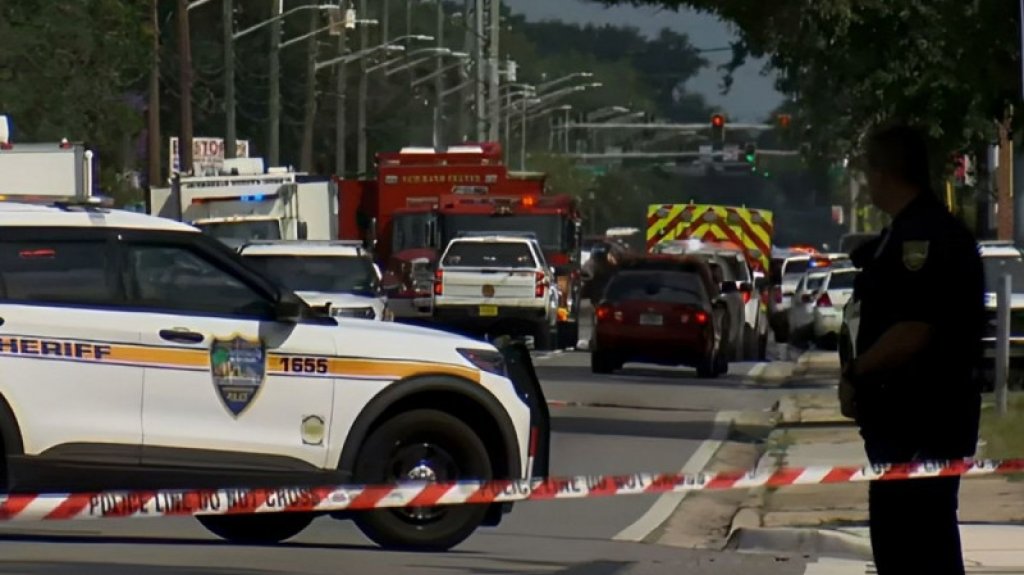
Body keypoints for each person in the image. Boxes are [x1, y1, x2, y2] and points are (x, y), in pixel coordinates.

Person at [841, 124, 985, 575]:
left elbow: (914, 329)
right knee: (904, 539)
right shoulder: (903, 232)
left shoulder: (922, 240)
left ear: (885, 172)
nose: (866, 181)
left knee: (918, 543)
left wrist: (856, 372)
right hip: (901, 426)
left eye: (869, 170)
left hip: (922, 423)